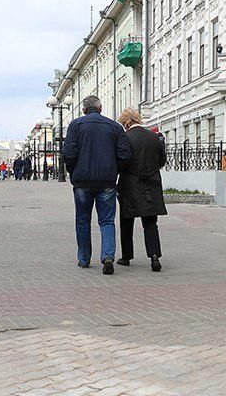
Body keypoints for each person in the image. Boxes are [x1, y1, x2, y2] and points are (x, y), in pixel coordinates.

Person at [62, 95, 131, 274]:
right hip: (107, 181)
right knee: (107, 220)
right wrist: (113, 170)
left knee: (82, 220)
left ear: (84, 110)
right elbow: (124, 155)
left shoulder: (75, 125)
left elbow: (69, 152)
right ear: (100, 109)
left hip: (82, 181)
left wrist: (73, 171)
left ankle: (84, 259)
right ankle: (108, 256)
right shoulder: (115, 127)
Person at [115, 108, 166, 272]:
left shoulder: (124, 138)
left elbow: (121, 161)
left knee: (126, 221)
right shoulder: (154, 137)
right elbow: (162, 161)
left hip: (130, 184)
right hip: (151, 184)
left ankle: (126, 257)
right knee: (150, 222)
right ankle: (154, 256)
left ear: (127, 122)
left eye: (123, 124)